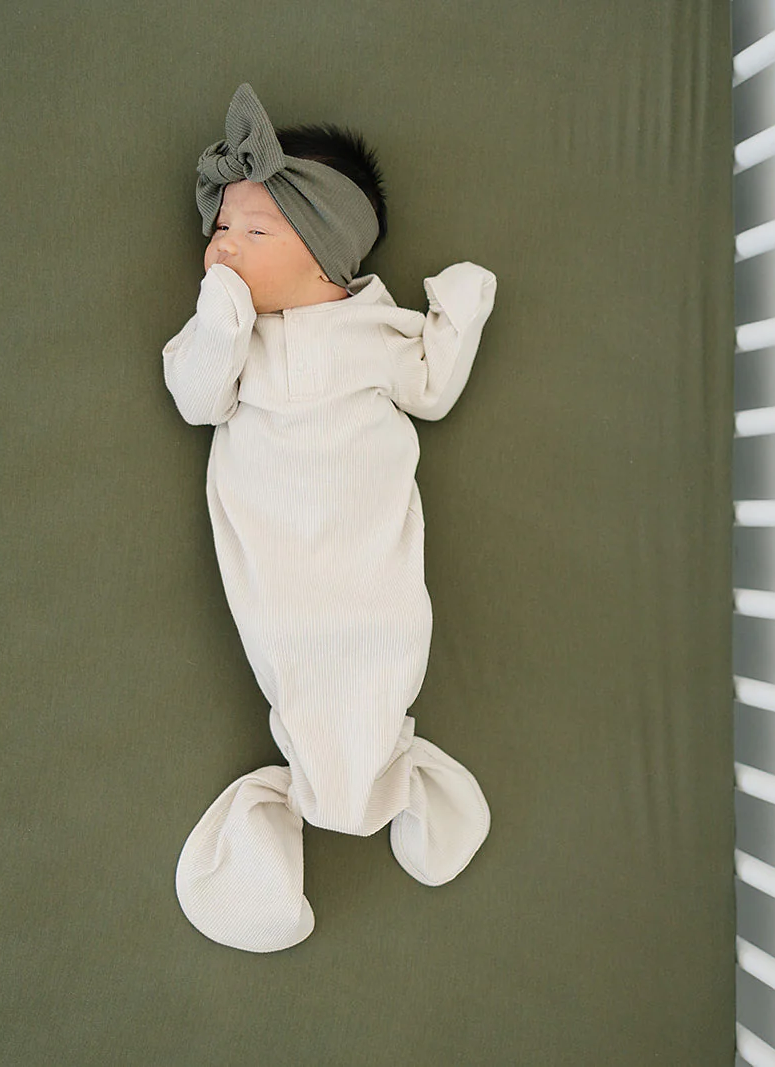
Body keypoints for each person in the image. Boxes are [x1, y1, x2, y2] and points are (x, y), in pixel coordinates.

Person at [162, 83, 497, 953]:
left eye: (253, 232)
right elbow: (195, 398)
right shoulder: (235, 340)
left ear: (325, 255)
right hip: (277, 566)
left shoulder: (378, 328)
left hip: (371, 562)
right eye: (220, 228)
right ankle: (326, 787)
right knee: (297, 662)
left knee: (385, 647)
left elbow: (431, 388)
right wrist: (221, 321)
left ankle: (383, 770)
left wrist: (459, 316)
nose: (222, 246)